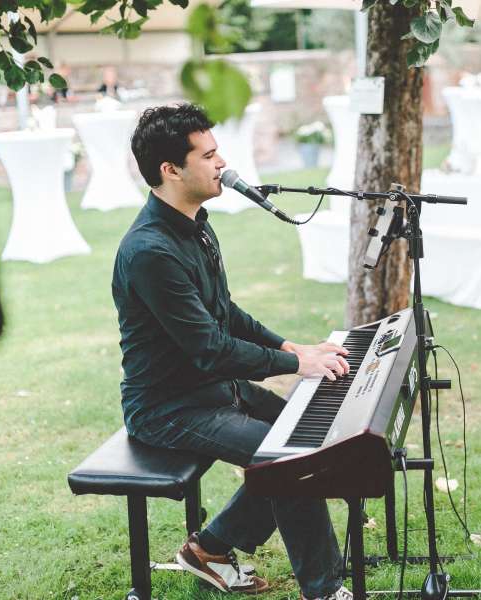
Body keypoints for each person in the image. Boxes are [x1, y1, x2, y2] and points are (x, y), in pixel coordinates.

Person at [113, 103, 352, 598]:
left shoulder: (196, 224)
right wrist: (298, 364)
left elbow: (225, 312)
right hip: (168, 407)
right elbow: (211, 349)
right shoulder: (150, 252)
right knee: (290, 459)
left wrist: (292, 346)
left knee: (304, 444)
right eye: (208, 155)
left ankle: (210, 548)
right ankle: (325, 590)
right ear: (171, 170)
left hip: (211, 390)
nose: (222, 162)